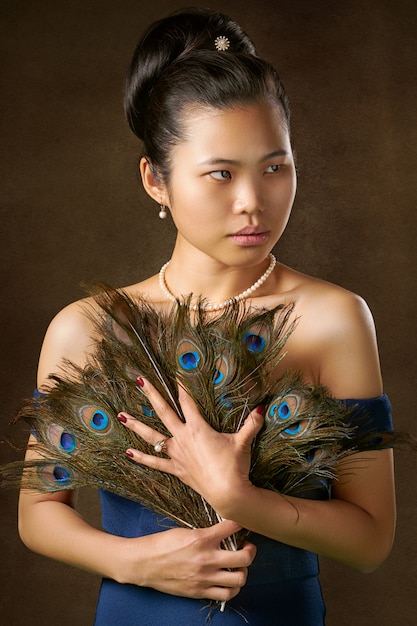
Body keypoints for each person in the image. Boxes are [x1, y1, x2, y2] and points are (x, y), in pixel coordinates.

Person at [17, 7, 395, 625]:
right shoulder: (86, 327)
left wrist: (237, 496)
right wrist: (133, 561)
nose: (253, 202)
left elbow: (372, 539)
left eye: (276, 167)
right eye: (221, 174)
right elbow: (39, 512)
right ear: (156, 181)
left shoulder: (335, 319)